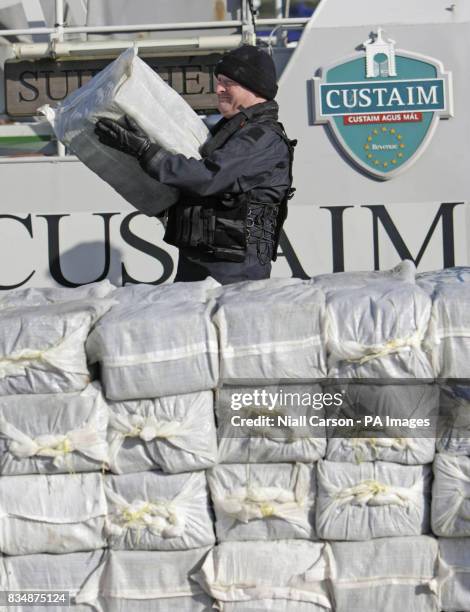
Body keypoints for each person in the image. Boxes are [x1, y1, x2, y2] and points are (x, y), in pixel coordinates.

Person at [95, 44, 296, 284]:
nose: (218, 88)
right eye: (218, 80)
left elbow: (208, 177)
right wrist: (144, 143)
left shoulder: (262, 139)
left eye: (228, 82)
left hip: (235, 272)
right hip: (201, 261)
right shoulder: (230, 132)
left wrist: (145, 150)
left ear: (254, 87)